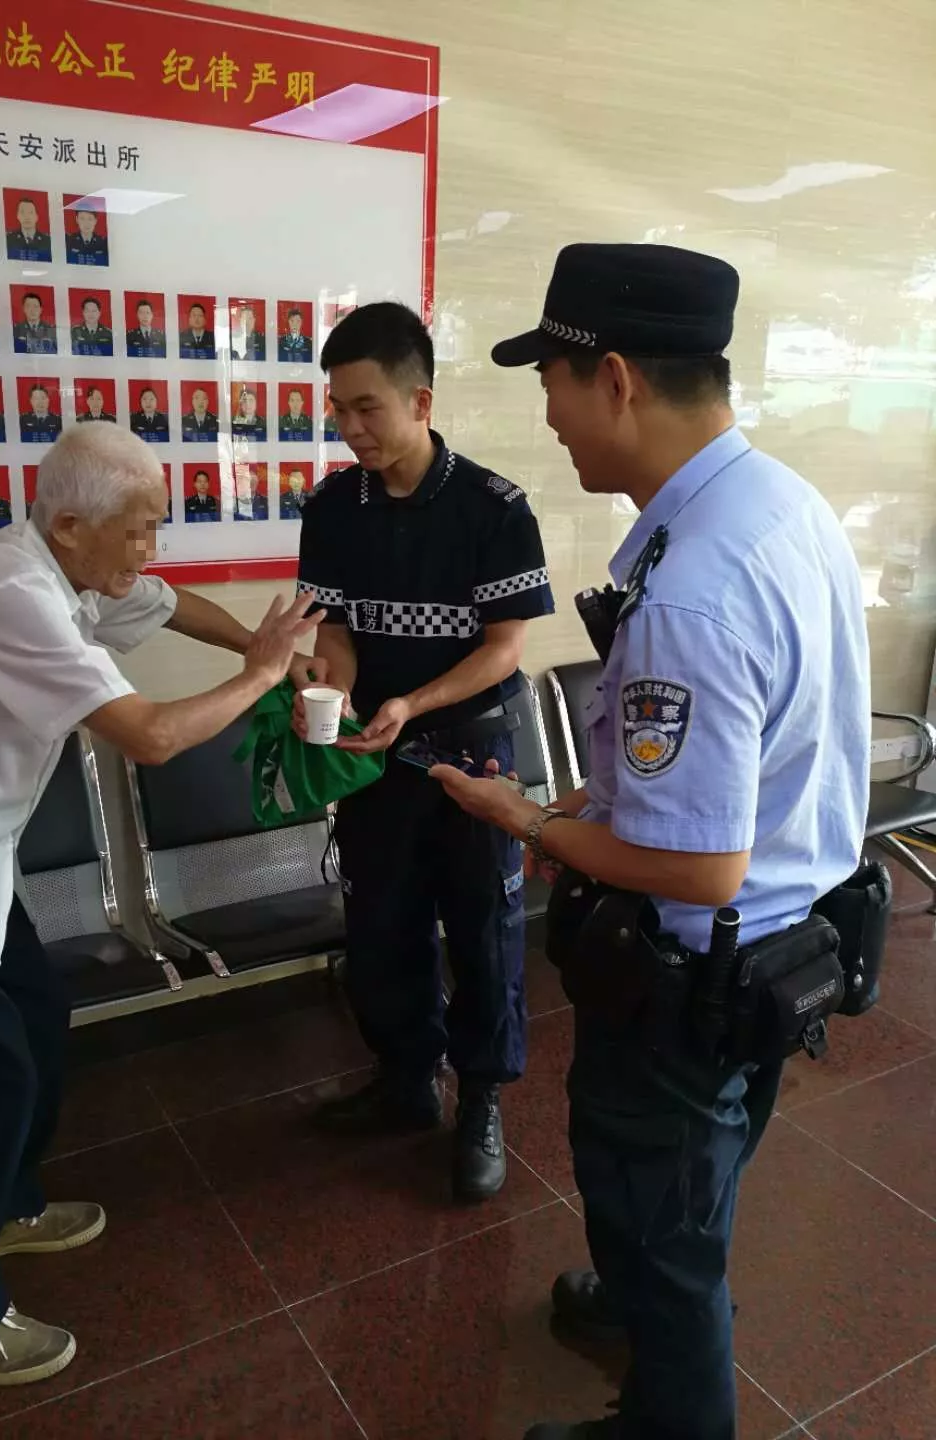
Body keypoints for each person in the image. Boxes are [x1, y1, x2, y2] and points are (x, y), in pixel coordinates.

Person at [431, 243, 871, 1440]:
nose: (549, 417)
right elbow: (760, 749)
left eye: (553, 383)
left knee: (659, 1207)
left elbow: (697, 866)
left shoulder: (692, 589)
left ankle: (670, 1399)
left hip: (693, 969)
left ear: (615, 379)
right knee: (697, 1177)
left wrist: (529, 819)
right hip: (783, 942)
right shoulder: (777, 504)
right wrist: (601, 804)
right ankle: (635, 1295)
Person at [0, 423, 328, 1389]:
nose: (151, 549)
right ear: (70, 524)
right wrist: (261, 676)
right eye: (140, 529)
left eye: (158, 525)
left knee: (35, 1019)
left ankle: (5, 1205)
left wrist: (257, 641)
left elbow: (171, 604)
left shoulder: (72, 570)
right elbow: (148, 735)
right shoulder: (16, 595)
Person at [295, 302, 554, 1200]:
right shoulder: (333, 508)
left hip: (473, 756)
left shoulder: (494, 508)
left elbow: (504, 649)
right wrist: (336, 691)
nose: (350, 427)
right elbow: (336, 632)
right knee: (382, 924)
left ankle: (481, 1097)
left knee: (484, 930)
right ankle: (406, 1079)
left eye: (366, 407)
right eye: (338, 408)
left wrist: (414, 702)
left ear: (420, 401)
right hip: (375, 759)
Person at [6, 196, 52, 263]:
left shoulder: (48, 241)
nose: (26, 217)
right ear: (18, 216)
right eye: (22, 212)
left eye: (30, 212)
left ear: (36, 216)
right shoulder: (9, 240)